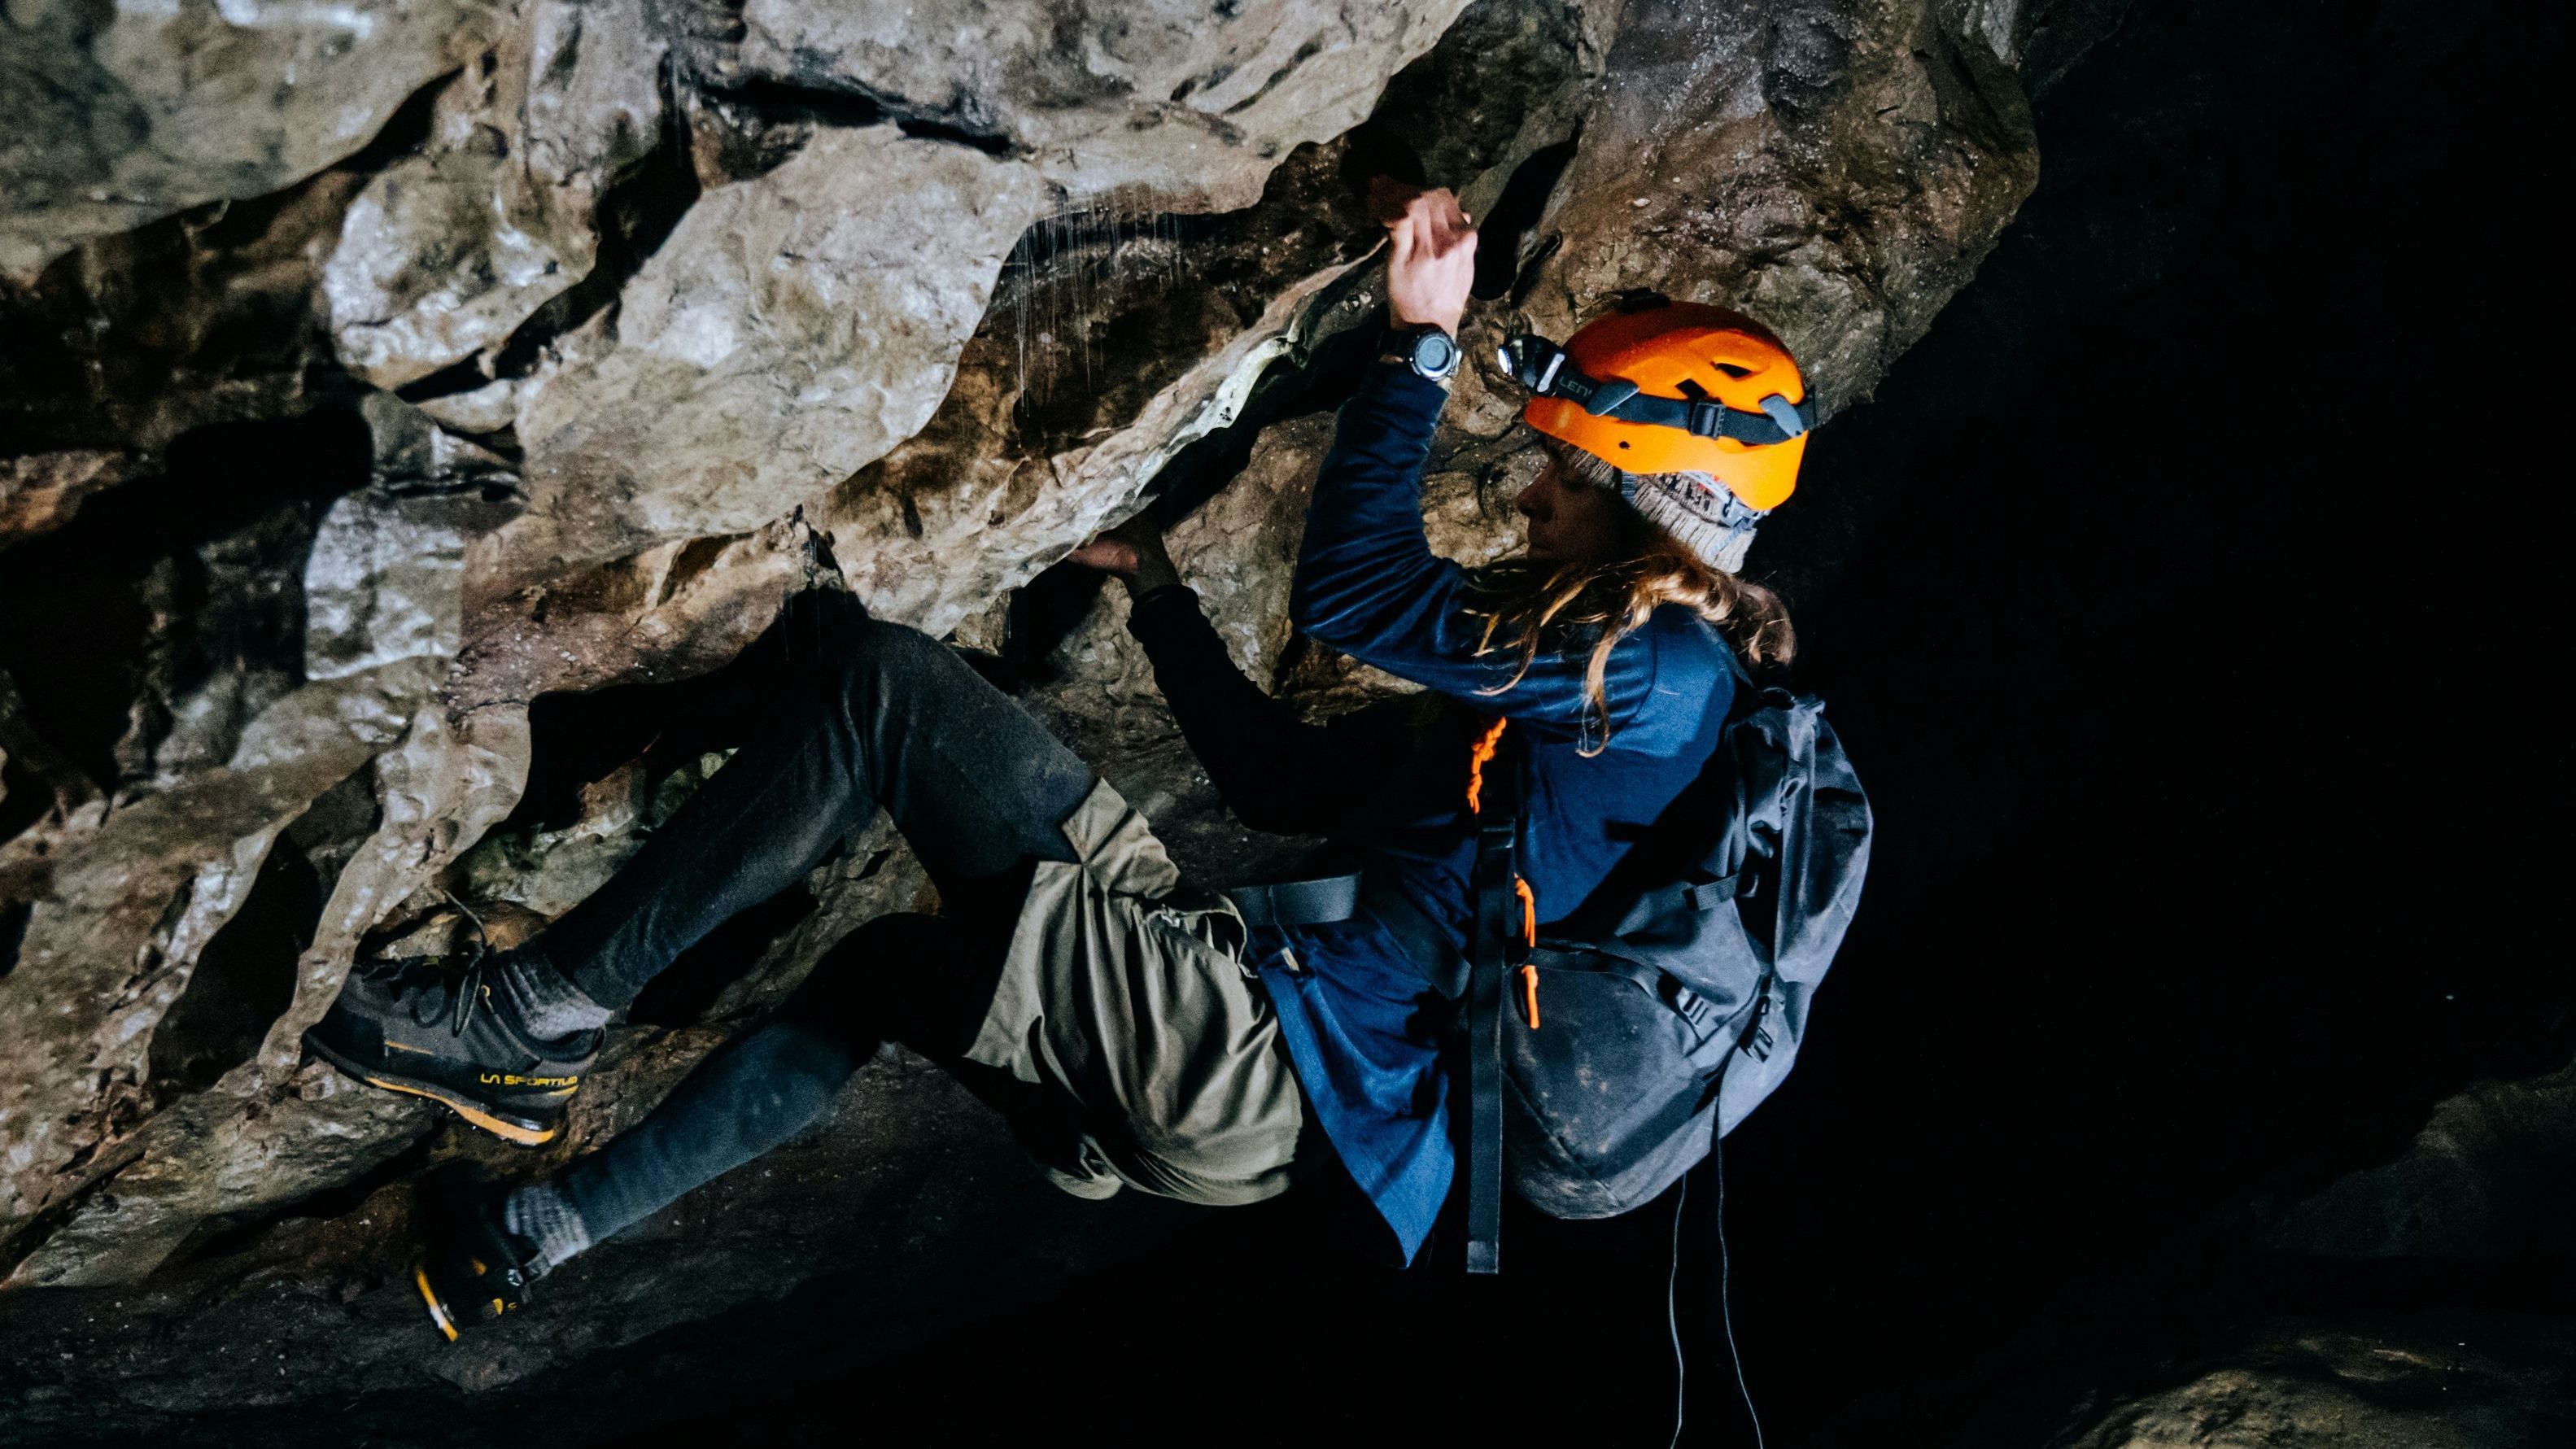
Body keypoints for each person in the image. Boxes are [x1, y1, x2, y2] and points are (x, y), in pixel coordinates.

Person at [302, 185, 1813, 1338]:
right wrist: (1154, 589)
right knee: (892, 973)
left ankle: (525, 1019)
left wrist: (1419, 348)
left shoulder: (1658, 673)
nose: (1542, 486)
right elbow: (1281, 787)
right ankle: (522, 1245)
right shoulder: (1603, 710)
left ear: (1655, 485)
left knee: (888, 688)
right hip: (1263, 1099)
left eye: (1573, 464)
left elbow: (1352, 596)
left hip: (1256, 1063)